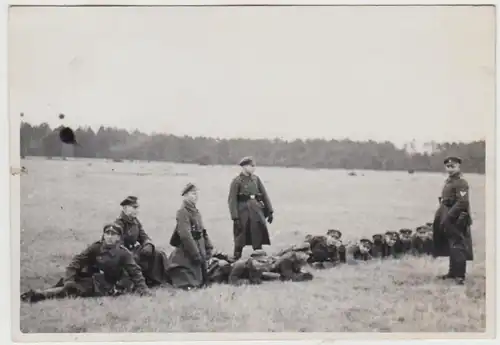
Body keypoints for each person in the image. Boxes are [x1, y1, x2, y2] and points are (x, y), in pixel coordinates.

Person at [21, 223, 151, 303]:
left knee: (73, 291)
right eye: (107, 233)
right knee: (69, 285)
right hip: (90, 278)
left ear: (118, 237)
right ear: (104, 235)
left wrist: (144, 290)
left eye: (113, 234)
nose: (110, 236)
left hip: (105, 285)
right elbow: (76, 262)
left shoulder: (124, 253)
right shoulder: (96, 247)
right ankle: (39, 294)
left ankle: (39, 295)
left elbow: (135, 271)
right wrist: (69, 279)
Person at [432, 156, 474, 285]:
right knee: (451, 245)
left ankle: (460, 275)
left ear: (458, 167)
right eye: (448, 166)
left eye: (453, 166)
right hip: (447, 214)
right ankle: (452, 272)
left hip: (456, 217)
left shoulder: (461, 182)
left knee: (458, 245)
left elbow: (462, 202)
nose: (450, 168)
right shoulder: (449, 181)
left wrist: (449, 216)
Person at [167, 183, 214, 290]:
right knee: (190, 280)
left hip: (198, 246)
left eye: (196, 193)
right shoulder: (183, 212)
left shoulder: (195, 211)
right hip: (188, 250)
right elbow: (185, 235)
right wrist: (195, 253)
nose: (196, 196)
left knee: (203, 278)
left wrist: (208, 246)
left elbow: (202, 231)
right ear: (185, 195)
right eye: (193, 194)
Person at [114, 196, 170, 287]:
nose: (137, 210)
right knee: (134, 259)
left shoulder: (135, 221)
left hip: (133, 250)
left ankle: (158, 280)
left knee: (158, 254)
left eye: (137, 208)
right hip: (123, 254)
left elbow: (143, 236)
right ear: (125, 208)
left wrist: (148, 244)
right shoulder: (119, 224)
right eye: (134, 208)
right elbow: (118, 246)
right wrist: (131, 253)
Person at [228, 156, 274, 260]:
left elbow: (264, 195)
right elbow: (232, 200)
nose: (254, 168)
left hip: (256, 211)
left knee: (257, 233)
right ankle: (236, 257)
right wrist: (235, 217)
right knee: (240, 237)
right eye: (251, 166)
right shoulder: (237, 181)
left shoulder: (256, 179)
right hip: (242, 211)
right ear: (244, 167)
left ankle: (259, 258)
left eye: (254, 166)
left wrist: (270, 211)